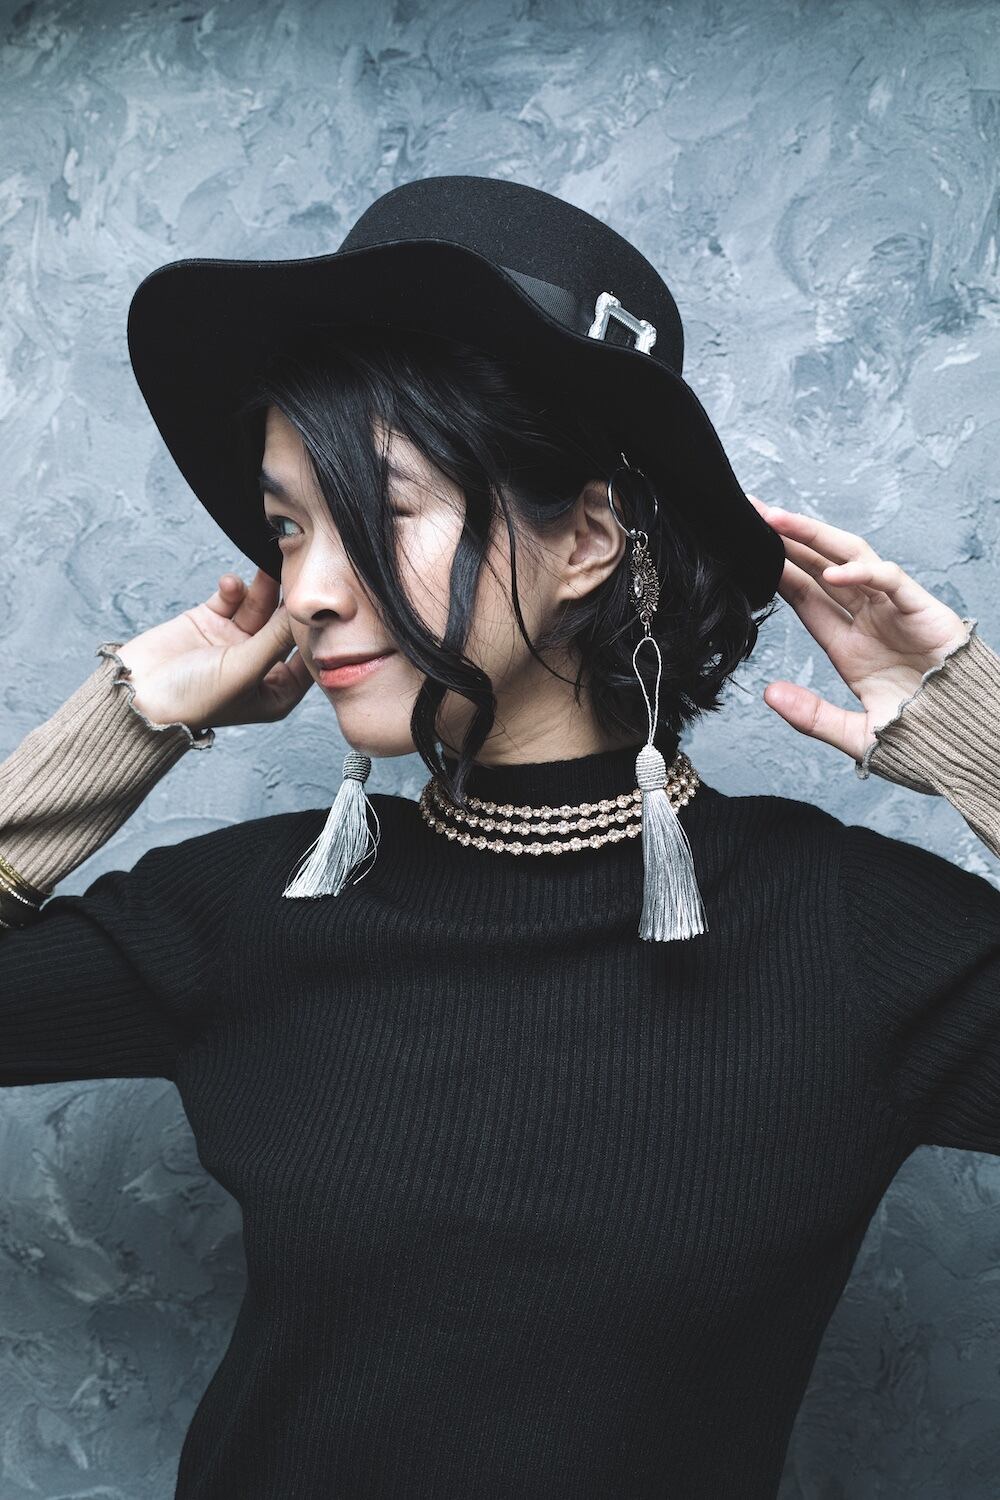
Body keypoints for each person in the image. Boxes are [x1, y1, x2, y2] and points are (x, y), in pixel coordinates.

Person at [1, 175, 999, 1500]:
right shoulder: (241, 912)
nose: (306, 589)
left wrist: (979, 738)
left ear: (585, 539)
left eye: (378, 514)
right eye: (289, 527)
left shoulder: (850, 936)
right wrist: (123, 723)